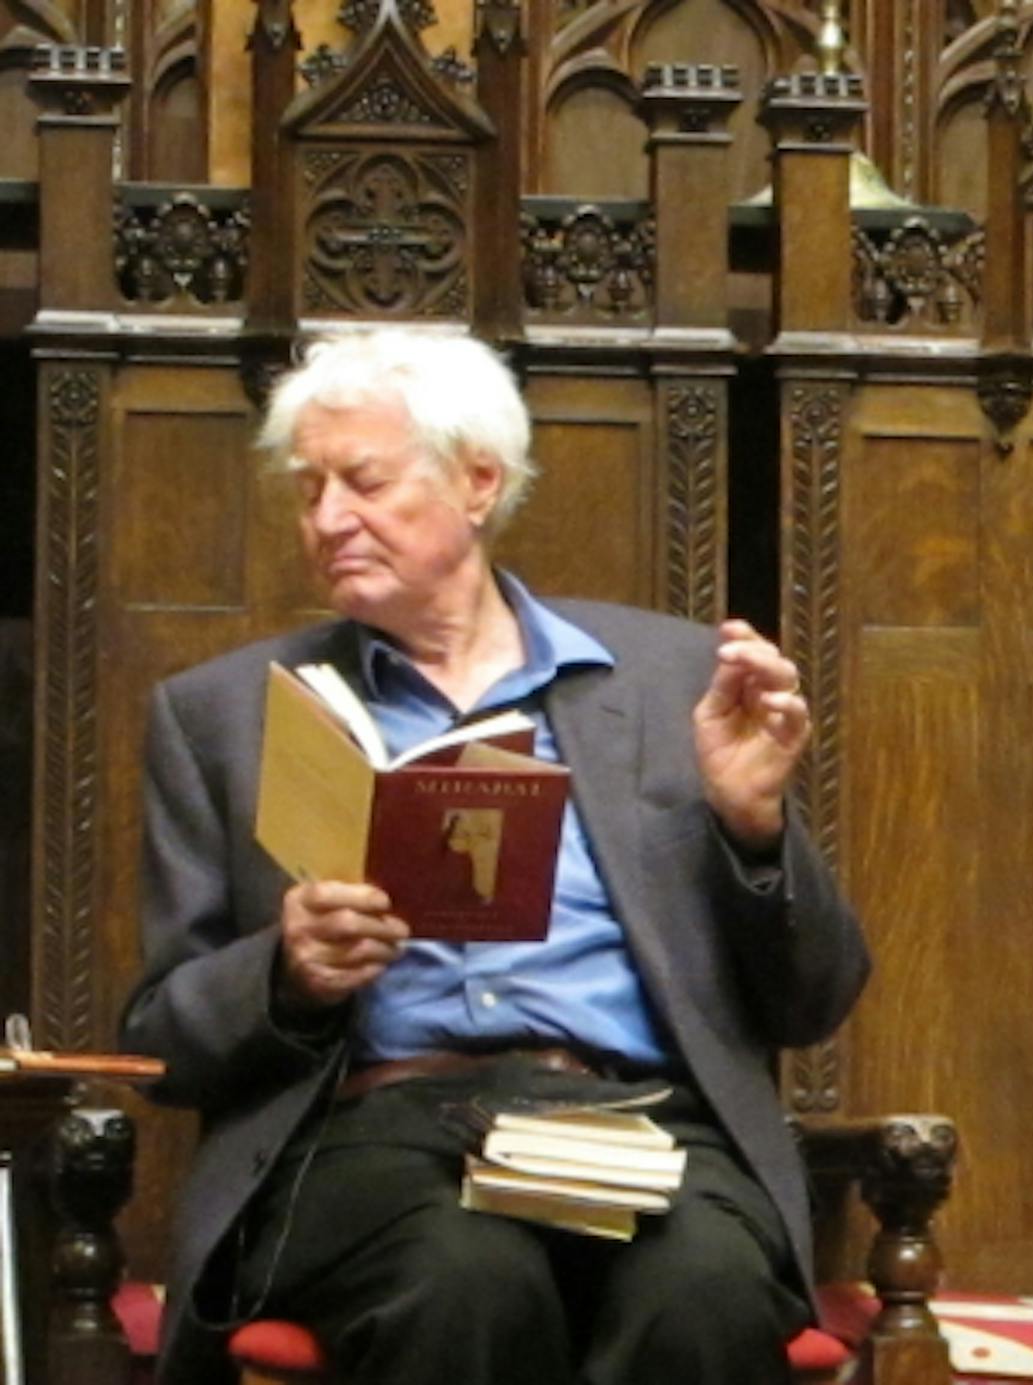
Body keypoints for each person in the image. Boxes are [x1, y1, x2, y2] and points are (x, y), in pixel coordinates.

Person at [119, 327, 870, 1385]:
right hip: (373, 1131)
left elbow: (813, 1001)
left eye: (365, 482)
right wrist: (286, 975)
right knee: (466, 1276)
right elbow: (161, 1039)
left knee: (701, 1289)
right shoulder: (222, 715)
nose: (327, 519)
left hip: (639, 1118)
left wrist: (753, 825)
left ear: (478, 481)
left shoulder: (674, 682)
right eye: (309, 490)